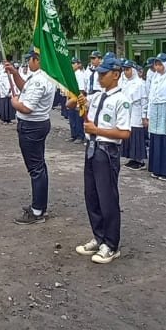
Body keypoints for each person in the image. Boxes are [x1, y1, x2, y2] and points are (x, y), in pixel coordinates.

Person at [72, 53, 131, 264]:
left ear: (116, 74)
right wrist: (78, 100)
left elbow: (124, 133)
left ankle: (111, 244)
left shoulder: (121, 100)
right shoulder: (97, 96)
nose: (99, 77)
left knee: (107, 198)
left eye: (104, 74)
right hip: (92, 148)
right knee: (92, 195)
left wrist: (97, 129)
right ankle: (99, 236)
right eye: (98, 73)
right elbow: (74, 104)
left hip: (107, 151)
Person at [6, 49, 56, 224]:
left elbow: (27, 107)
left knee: (35, 169)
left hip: (31, 126)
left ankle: (37, 212)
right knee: (39, 167)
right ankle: (39, 206)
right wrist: (14, 74)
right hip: (38, 124)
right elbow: (23, 88)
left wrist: (14, 103)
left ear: (37, 60)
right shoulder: (42, 77)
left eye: (30, 60)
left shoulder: (39, 80)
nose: (28, 63)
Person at [122, 61, 148, 169]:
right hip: (128, 112)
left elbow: (144, 100)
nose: (126, 72)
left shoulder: (140, 83)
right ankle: (132, 157)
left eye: (128, 70)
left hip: (137, 111)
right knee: (130, 135)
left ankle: (140, 160)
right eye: (125, 70)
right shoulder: (126, 83)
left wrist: (144, 116)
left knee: (137, 135)